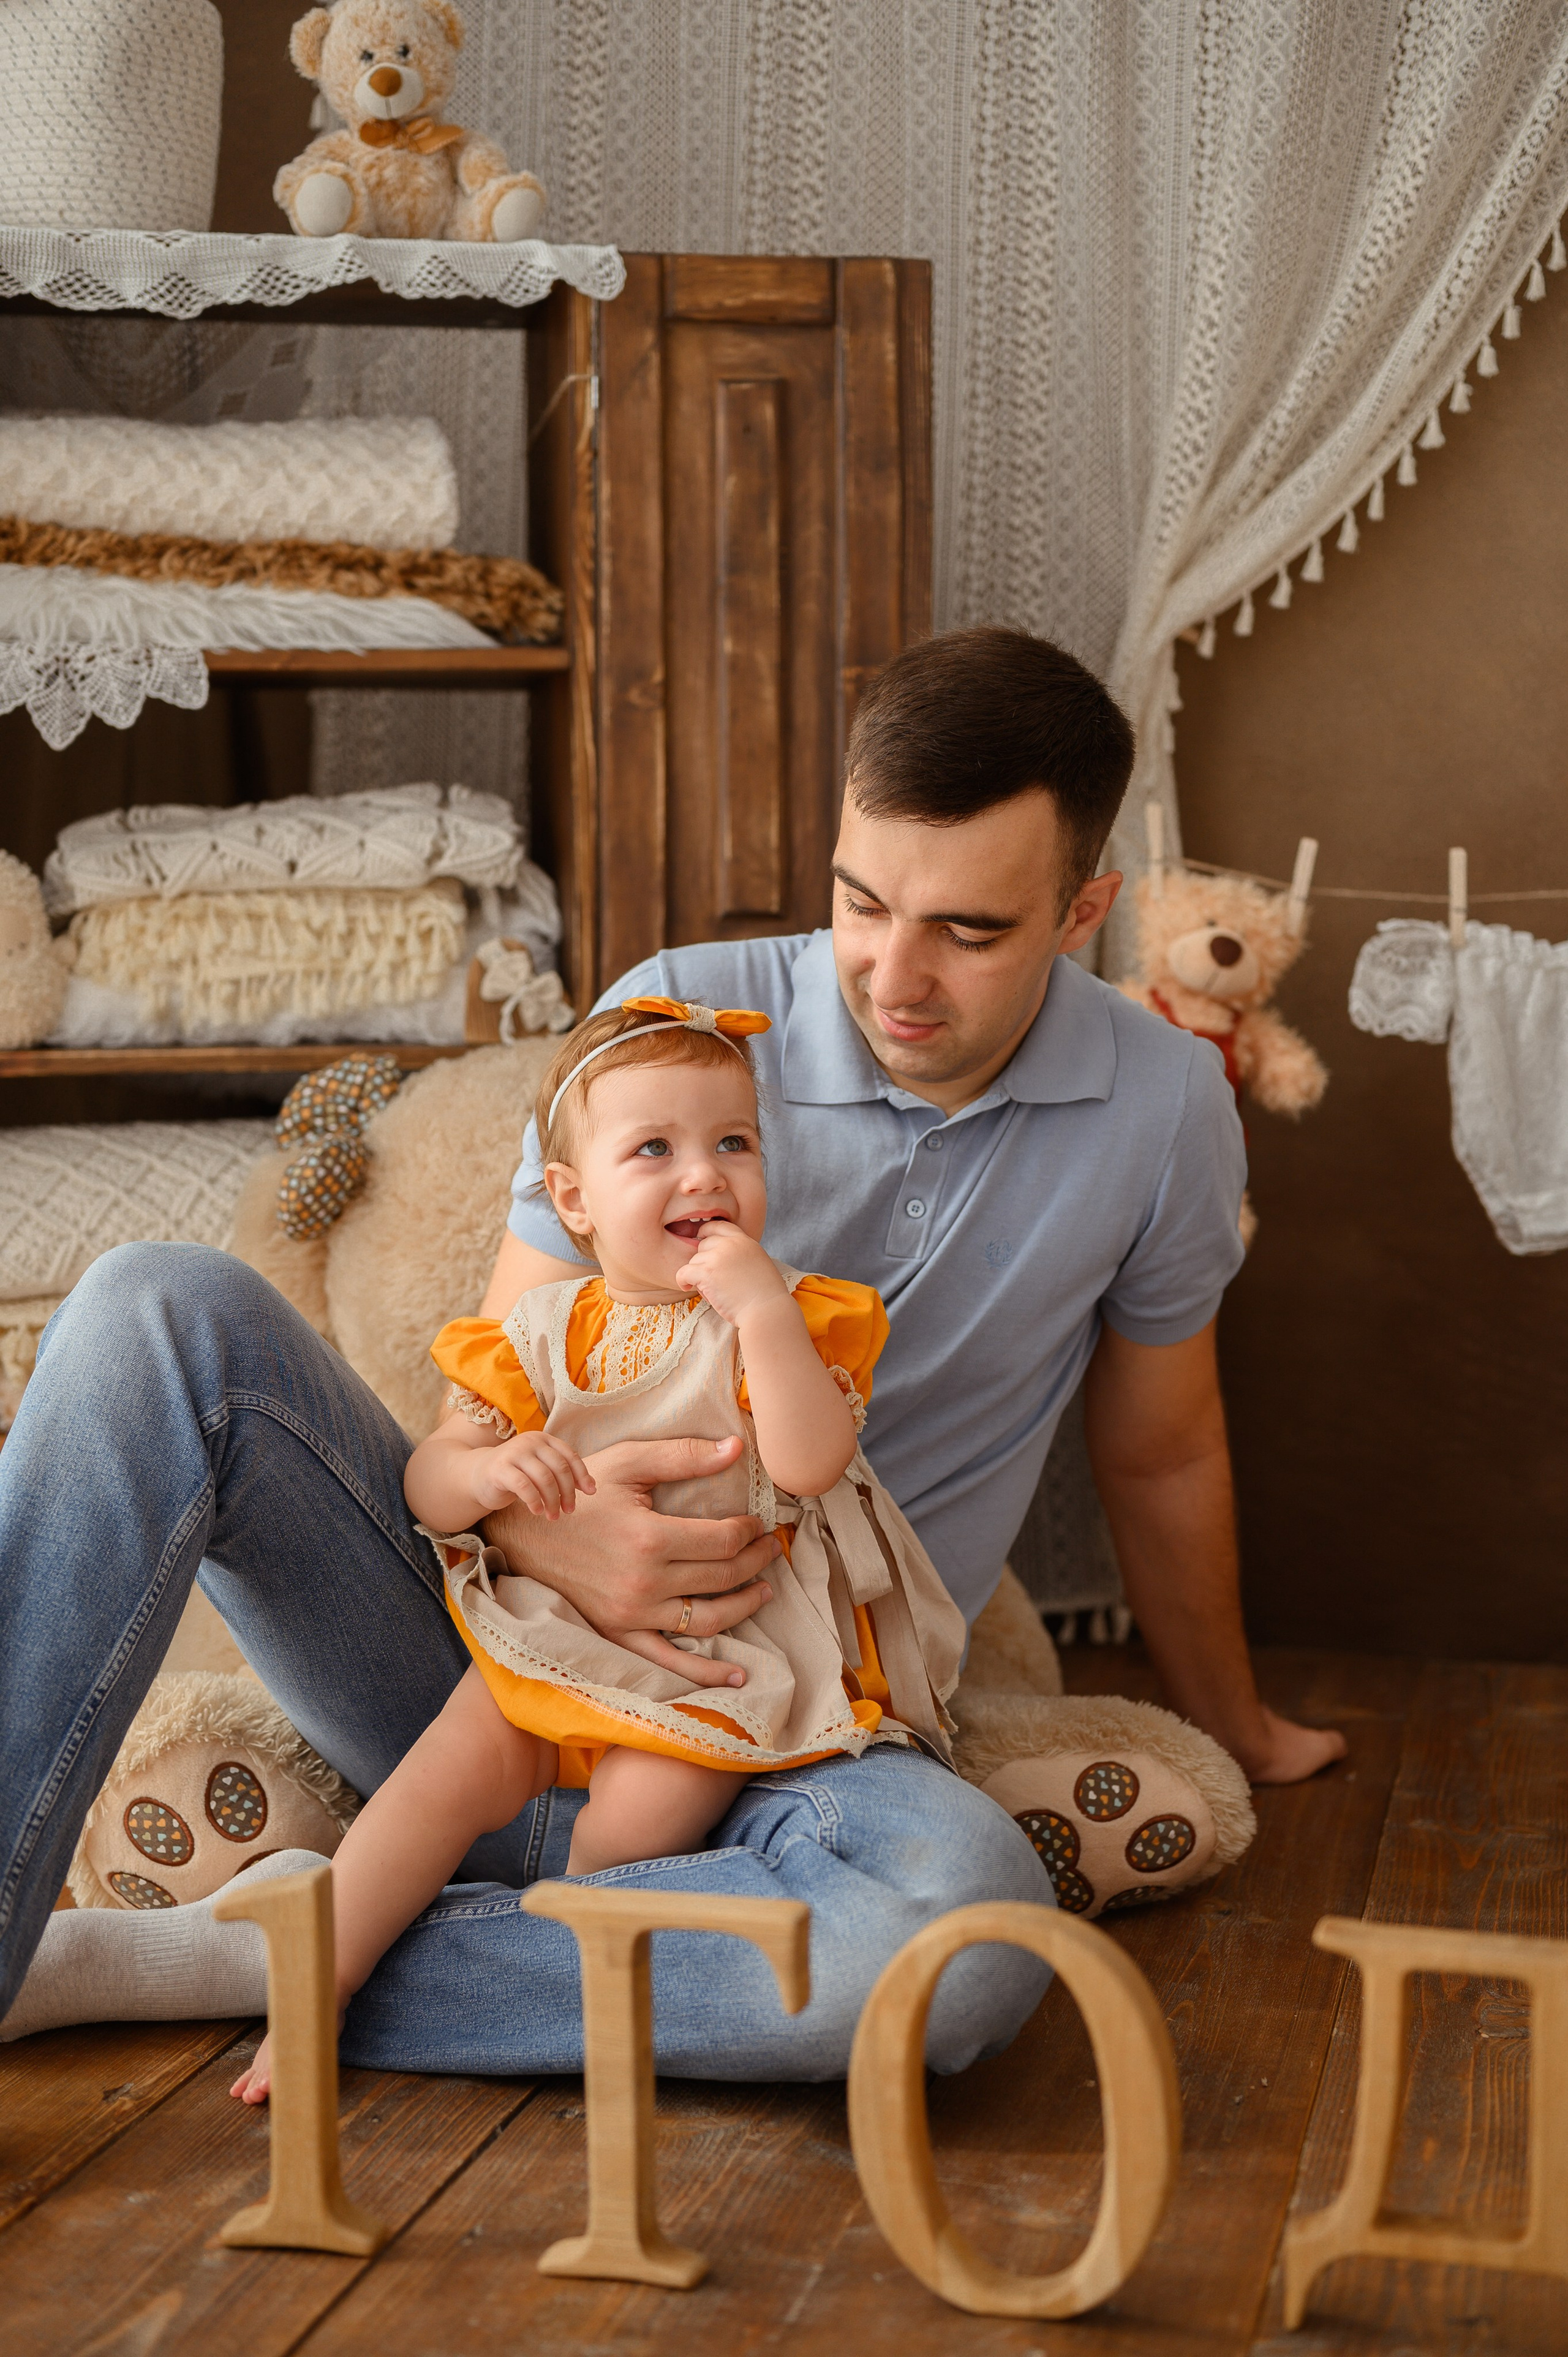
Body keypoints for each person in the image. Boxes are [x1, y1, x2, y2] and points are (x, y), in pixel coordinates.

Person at [0, 625, 1342, 2074]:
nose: (894, 974)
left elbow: (1158, 1448)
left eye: (967, 930)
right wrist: (560, 1543)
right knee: (155, 1305)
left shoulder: (1162, 1109)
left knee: (955, 1939)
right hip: (484, 1669)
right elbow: (503, 1377)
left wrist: (1233, 1724)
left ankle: (257, 1952)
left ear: (1084, 909)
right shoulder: (673, 1028)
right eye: (860, 902)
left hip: (790, 1739)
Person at [230, 995, 965, 2103]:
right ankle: (317, 1980)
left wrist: (763, 1313)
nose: (704, 1176)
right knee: (434, 1782)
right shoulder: (539, 1331)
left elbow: (811, 1464)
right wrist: (485, 1477)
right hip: (547, 1640)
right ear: (572, 1200)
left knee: (644, 1822)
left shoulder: (788, 1321)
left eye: (733, 1144)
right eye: (654, 1150)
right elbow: (429, 1482)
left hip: (708, 1665)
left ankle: (533, 1935)